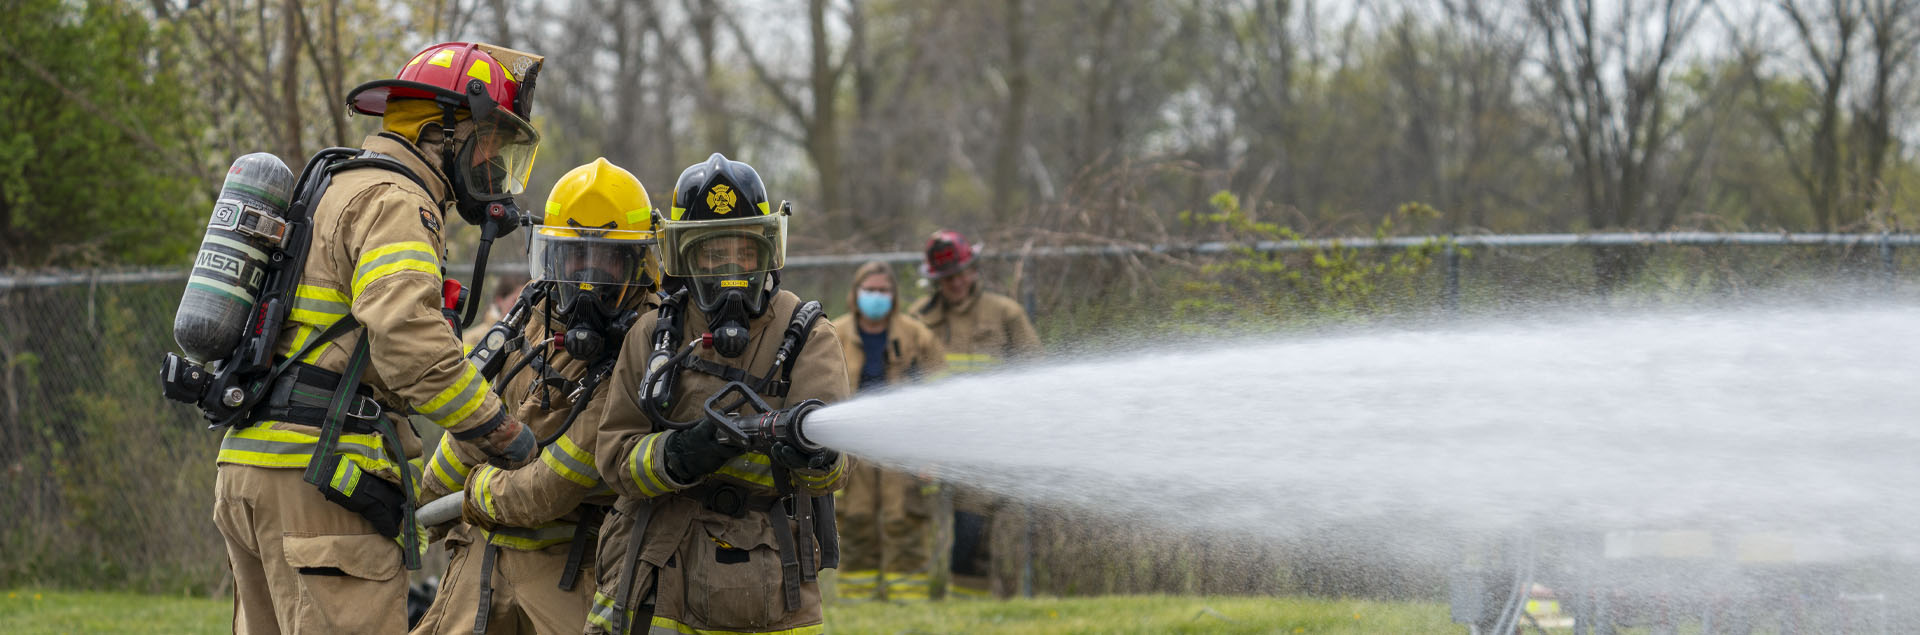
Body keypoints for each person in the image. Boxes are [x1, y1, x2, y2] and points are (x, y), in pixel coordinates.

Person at [210, 42, 544, 634]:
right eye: (487, 139)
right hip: (320, 481)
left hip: (254, 466)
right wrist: (501, 430)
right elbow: (408, 338)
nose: (492, 161)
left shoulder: (339, 185)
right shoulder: (397, 202)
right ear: (440, 133)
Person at [585, 153, 851, 635]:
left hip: (769, 585)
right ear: (685, 257)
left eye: (744, 252)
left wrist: (813, 453)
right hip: (652, 573)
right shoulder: (652, 335)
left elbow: (833, 473)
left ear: (767, 252)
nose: (730, 267)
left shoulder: (806, 333)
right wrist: (680, 455)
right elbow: (614, 460)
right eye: (712, 254)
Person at [411, 158, 658, 634]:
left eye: (605, 262)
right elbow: (478, 417)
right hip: (482, 570)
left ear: (639, 265)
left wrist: (471, 494)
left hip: (571, 575)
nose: (585, 283)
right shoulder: (533, 313)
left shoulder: (644, 342)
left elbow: (551, 487)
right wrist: (424, 502)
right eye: (572, 258)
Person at [909, 229, 1041, 597]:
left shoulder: (1005, 314)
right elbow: (903, 382)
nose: (956, 283)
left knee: (985, 540)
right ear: (935, 279)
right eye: (946, 278)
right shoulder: (918, 317)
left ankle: (987, 610)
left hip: (993, 446)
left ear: (973, 269)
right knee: (936, 538)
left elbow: (1037, 374)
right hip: (939, 448)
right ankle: (954, 608)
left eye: (961, 273)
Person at [828, 260, 950, 601]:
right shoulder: (834, 334)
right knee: (854, 522)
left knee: (905, 523)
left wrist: (933, 454)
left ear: (894, 295)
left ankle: (906, 605)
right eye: (870, 290)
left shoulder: (916, 335)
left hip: (904, 447)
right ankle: (859, 605)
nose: (876, 297)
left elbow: (943, 398)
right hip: (853, 448)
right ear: (855, 294)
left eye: (883, 290)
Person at [462, 271, 531, 350]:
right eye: (516, 301)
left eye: (527, 301)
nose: (523, 306)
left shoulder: (534, 335)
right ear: (499, 300)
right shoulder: (473, 339)